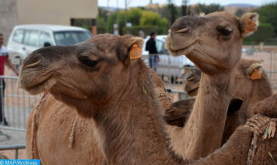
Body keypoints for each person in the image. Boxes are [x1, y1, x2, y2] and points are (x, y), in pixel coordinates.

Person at [0, 33, 19, 125]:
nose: (1, 41)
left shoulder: (4, 50)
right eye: (0, 39)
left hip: (1, 80)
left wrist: (15, 70)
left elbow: (8, 62)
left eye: (2, 39)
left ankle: (1, 118)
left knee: (1, 99)